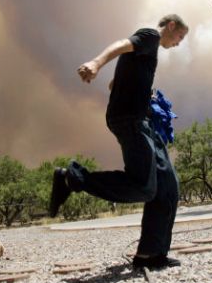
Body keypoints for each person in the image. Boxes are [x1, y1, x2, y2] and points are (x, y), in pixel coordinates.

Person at [48, 14, 188, 270]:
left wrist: (141, 91)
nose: (178, 43)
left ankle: (150, 254)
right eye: (180, 37)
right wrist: (95, 63)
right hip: (130, 121)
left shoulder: (147, 51)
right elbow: (121, 44)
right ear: (171, 26)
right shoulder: (150, 36)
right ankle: (73, 178)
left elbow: (116, 82)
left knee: (168, 185)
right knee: (145, 187)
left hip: (141, 122)